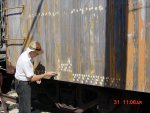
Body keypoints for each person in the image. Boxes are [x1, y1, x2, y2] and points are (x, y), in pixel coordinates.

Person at [15, 41, 57, 113]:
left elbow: (29, 74)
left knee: (23, 106)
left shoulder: (27, 55)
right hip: (23, 85)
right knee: (26, 109)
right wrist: (45, 75)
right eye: (37, 53)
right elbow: (31, 78)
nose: (37, 55)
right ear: (33, 51)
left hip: (21, 83)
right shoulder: (26, 60)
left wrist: (37, 77)